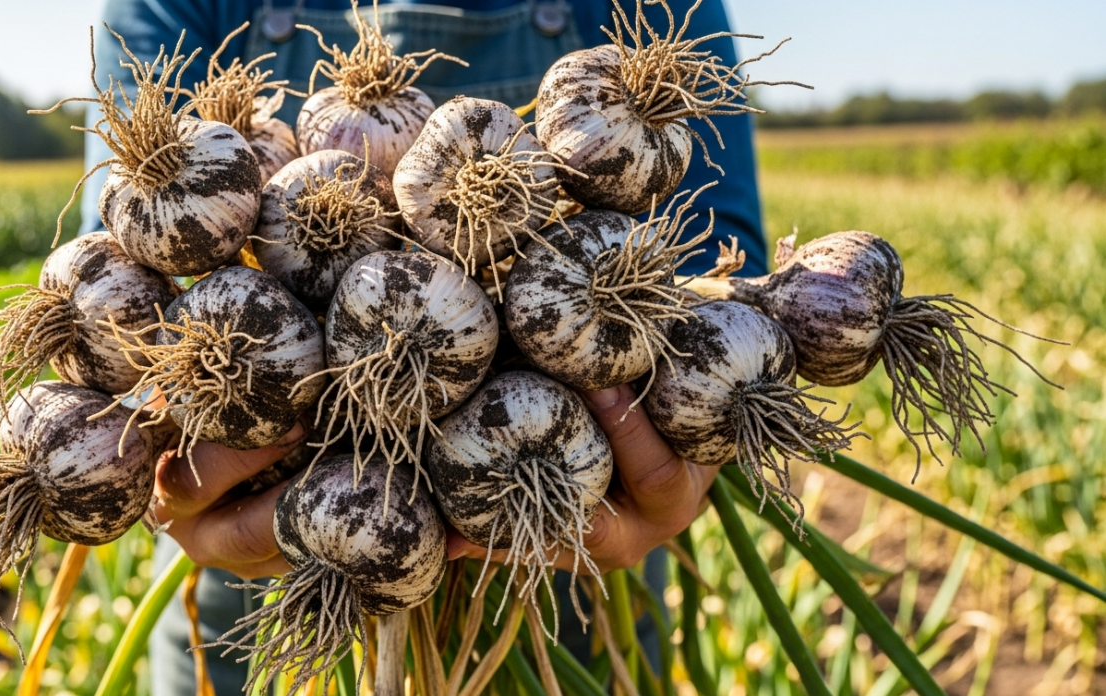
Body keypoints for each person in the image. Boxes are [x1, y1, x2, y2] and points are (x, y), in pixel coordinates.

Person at [80, 0, 769, 690]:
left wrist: (692, 453)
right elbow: (120, 296)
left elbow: (718, 255)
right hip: (253, 575)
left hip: (572, 549)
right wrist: (159, 454)